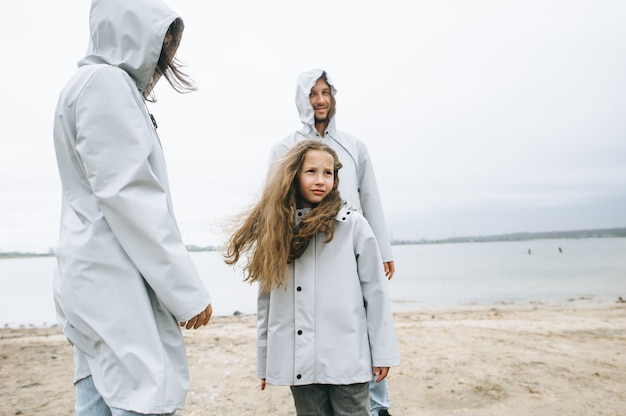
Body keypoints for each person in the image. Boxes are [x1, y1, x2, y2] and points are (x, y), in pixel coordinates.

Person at [52, 0, 212, 414]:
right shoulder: (105, 85)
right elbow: (129, 196)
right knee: (145, 396)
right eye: (160, 38)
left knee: (100, 390)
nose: (163, 52)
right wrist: (187, 293)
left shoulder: (82, 85)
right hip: (114, 283)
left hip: (89, 277)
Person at [224, 140, 400, 415]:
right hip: (300, 361)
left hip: (348, 360)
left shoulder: (353, 225)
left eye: (328, 173)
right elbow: (266, 304)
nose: (321, 180)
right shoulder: (277, 231)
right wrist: (265, 361)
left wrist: (384, 352)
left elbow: (376, 293)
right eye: (311, 171)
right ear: (293, 174)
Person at [268, 69, 396, 416]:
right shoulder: (284, 148)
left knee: (358, 316)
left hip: (351, 243)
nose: (320, 100)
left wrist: (383, 250)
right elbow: (272, 205)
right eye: (312, 94)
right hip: (303, 248)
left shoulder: (354, 147)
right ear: (302, 100)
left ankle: (378, 405)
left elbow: (370, 197)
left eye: (325, 92)